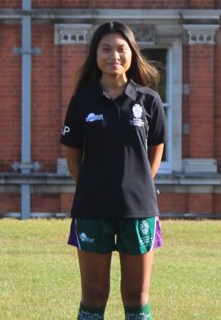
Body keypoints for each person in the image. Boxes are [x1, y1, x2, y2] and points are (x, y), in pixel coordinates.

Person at [61, 21, 168, 320]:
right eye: (105, 49)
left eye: (121, 49)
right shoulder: (82, 102)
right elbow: (72, 154)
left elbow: (156, 147)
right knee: (93, 295)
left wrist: (142, 182)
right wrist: (91, 187)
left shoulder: (148, 100)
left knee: (136, 297)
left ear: (132, 53)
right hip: (92, 209)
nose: (114, 56)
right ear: (95, 54)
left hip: (139, 209)